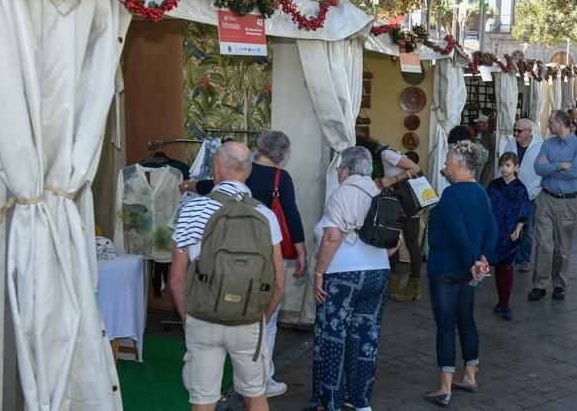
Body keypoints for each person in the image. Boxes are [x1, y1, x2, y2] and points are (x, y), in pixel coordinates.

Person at [179, 130, 305, 398]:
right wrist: (260, 319)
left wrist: (188, 320)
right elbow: (279, 284)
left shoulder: (192, 210)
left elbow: (177, 278)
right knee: (255, 395)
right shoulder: (267, 211)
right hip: (249, 314)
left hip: (203, 314)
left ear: (216, 168)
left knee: (203, 399)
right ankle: (267, 376)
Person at [309, 146, 395, 411]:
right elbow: (393, 244)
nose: (338, 173)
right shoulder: (379, 193)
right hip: (378, 273)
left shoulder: (341, 194)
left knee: (334, 337)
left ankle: (331, 401)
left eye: (339, 169)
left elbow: (332, 237)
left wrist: (319, 272)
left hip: (343, 275)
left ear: (346, 169)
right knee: (366, 338)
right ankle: (360, 401)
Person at [424, 141, 497, 407]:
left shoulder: (452, 194)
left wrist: (471, 262)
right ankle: (469, 375)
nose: (444, 164)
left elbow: (458, 232)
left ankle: (444, 387)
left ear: (458, 162)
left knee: (445, 327)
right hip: (469, 269)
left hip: (447, 266)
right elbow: (492, 230)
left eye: (446, 160)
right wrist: (482, 259)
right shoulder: (480, 192)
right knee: (466, 321)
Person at [528, 110, 577, 302]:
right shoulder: (547, 143)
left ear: (560, 123)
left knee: (562, 247)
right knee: (543, 243)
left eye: (550, 122)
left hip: (569, 201)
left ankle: (559, 284)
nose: (548, 125)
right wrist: (560, 165)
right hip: (546, 198)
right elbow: (538, 168)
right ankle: (539, 284)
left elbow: (576, 172)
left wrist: (550, 167)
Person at [355, 135, 422, 302]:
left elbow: (415, 168)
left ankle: (414, 288)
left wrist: (391, 180)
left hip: (407, 204)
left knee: (412, 243)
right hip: (396, 204)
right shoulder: (383, 155)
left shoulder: (386, 154)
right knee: (392, 239)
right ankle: (392, 283)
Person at [487, 152, 529, 321]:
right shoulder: (494, 185)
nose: (504, 169)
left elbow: (524, 210)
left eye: (508, 165)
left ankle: (505, 304)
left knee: (507, 266)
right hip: (495, 230)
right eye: (502, 165)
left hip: (511, 232)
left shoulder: (520, 188)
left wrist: (518, 229)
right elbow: (487, 206)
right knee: (497, 266)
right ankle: (500, 300)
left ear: (516, 167)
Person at [502, 118, 542, 273]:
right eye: (515, 130)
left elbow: (541, 173)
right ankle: (510, 255)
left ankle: (524, 259)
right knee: (510, 225)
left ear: (529, 132)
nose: (516, 133)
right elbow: (504, 165)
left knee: (527, 228)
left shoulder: (540, 146)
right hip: (511, 192)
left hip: (530, 193)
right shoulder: (510, 144)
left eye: (519, 131)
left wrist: (530, 190)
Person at [474, 115, 496, 188]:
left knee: (484, 184)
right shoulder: (482, 134)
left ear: (484, 124)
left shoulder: (491, 135)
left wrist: (486, 159)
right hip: (484, 163)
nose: (477, 126)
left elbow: (493, 151)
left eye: (478, 124)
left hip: (489, 165)